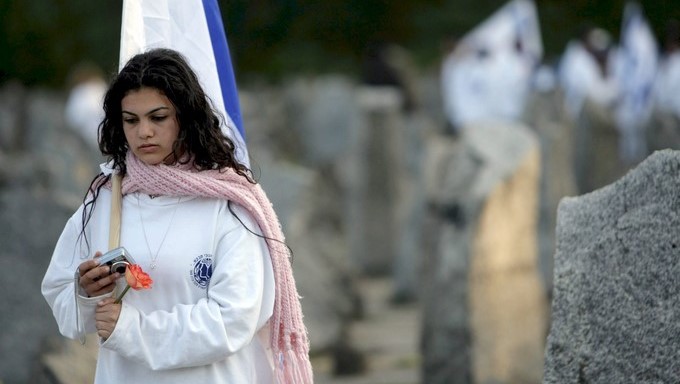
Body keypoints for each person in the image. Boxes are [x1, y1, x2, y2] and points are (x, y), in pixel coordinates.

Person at [41, 48, 313, 383]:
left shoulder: (227, 204)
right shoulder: (104, 202)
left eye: (158, 117)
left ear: (185, 117)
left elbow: (233, 320)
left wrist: (131, 329)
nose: (144, 132)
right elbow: (62, 300)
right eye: (131, 120)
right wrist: (85, 293)